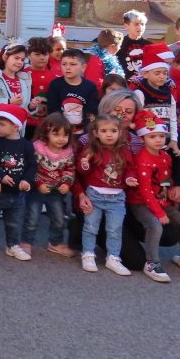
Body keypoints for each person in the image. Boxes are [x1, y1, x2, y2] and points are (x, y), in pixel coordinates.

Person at [127, 110, 180, 282]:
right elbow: (145, 191)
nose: (158, 140)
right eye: (152, 137)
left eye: (161, 136)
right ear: (142, 138)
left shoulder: (165, 156)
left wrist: (173, 192)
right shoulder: (142, 159)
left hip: (162, 200)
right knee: (155, 226)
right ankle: (152, 262)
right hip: (141, 202)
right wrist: (159, 213)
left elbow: (165, 179)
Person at [74, 114, 135, 276]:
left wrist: (129, 178)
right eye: (104, 131)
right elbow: (82, 173)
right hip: (95, 194)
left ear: (120, 132)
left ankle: (113, 257)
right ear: (95, 133)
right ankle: (88, 253)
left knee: (115, 229)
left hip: (117, 198)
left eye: (113, 131)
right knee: (90, 227)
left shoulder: (124, 151)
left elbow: (130, 168)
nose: (109, 134)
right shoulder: (91, 150)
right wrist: (84, 164)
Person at [0, 104, 35, 262]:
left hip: (17, 193)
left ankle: (12, 245)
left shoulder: (26, 145)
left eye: (2, 124)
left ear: (16, 126)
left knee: (14, 222)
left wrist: (26, 180)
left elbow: (32, 165)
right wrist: (1, 175)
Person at [21, 112, 75, 258]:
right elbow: (31, 168)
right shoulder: (37, 148)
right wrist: (38, 183)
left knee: (59, 218)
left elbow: (69, 169)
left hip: (56, 191)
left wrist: (66, 183)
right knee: (32, 217)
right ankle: (26, 242)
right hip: (36, 190)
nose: (61, 139)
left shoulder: (67, 152)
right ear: (46, 133)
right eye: (56, 134)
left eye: (65, 135)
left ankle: (55, 242)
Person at [128, 44, 179, 155]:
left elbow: (173, 118)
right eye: (157, 73)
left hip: (164, 143)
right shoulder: (140, 93)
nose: (162, 76)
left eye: (165, 73)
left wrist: (174, 139)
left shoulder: (169, 94)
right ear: (145, 74)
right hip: (144, 145)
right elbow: (136, 118)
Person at [46, 48, 99, 137]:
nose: (67, 67)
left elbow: (91, 112)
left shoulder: (90, 87)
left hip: (82, 133)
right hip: (60, 132)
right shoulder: (55, 84)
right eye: (64, 64)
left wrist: (86, 133)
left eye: (73, 64)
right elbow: (53, 110)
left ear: (83, 67)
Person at [0, 43, 31, 113]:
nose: (20, 62)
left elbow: (25, 106)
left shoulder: (25, 79)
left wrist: (31, 107)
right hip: (0, 119)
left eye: (22, 60)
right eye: (16, 58)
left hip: (20, 119)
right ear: (5, 57)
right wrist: (9, 101)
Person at [25, 37, 57, 136]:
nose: (42, 58)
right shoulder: (22, 75)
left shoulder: (54, 77)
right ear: (28, 55)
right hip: (25, 122)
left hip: (47, 123)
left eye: (45, 54)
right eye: (37, 54)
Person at [116, 9, 151, 76]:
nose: (140, 27)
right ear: (126, 26)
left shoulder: (150, 45)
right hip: (124, 81)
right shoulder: (119, 44)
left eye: (142, 24)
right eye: (136, 24)